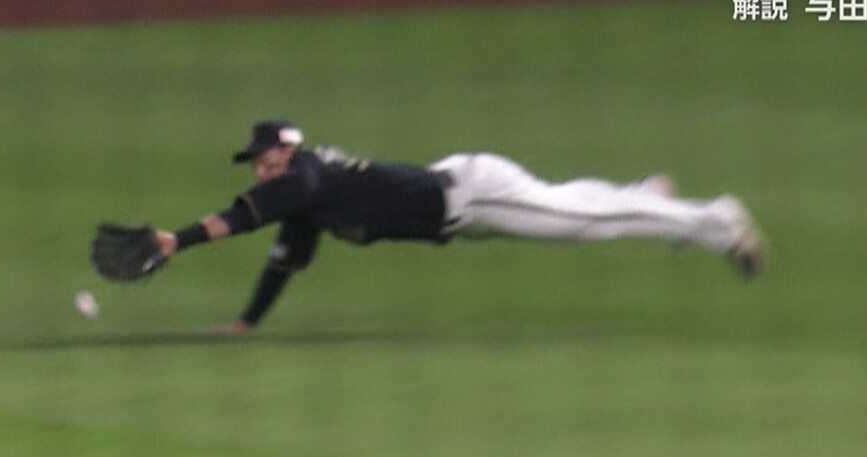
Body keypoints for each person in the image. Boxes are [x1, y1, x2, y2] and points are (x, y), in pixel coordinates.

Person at [153, 120, 768, 334]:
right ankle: (641, 197)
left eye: (266, 158)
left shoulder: (307, 176)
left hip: (473, 195)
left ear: (289, 151)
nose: (260, 169)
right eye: (255, 162)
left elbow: (243, 218)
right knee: (565, 209)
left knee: (581, 225)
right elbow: (284, 258)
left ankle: (716, 221)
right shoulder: (306, 194)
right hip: (464, 196)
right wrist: (247, 322)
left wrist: (175, 241)